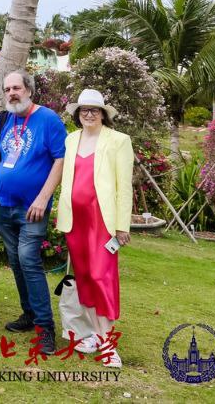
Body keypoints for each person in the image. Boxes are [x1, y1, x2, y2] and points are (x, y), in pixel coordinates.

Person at [0, 70, 67, 355]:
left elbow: (60, 160)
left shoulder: (48, 120)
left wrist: (43, 199)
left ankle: (45, 328)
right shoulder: (4, 118)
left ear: (29, 90)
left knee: (28, 260)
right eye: (7, 89)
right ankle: (29, 314)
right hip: (3, 205)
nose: (12, 93)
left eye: (17, 88)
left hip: (32, 208)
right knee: (17, 262)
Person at [58, 89, 133, 368]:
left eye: (95, 110)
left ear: (103, 114)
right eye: (84, 110)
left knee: (102, 278)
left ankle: (109, 345)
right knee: (85, 279)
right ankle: (92, 335)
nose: (89, 114)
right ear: (78, 115)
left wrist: (122, 226)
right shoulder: (71, 139)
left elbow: (124, 187)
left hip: (102, 222)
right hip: (75, 221)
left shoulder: (119, 141)